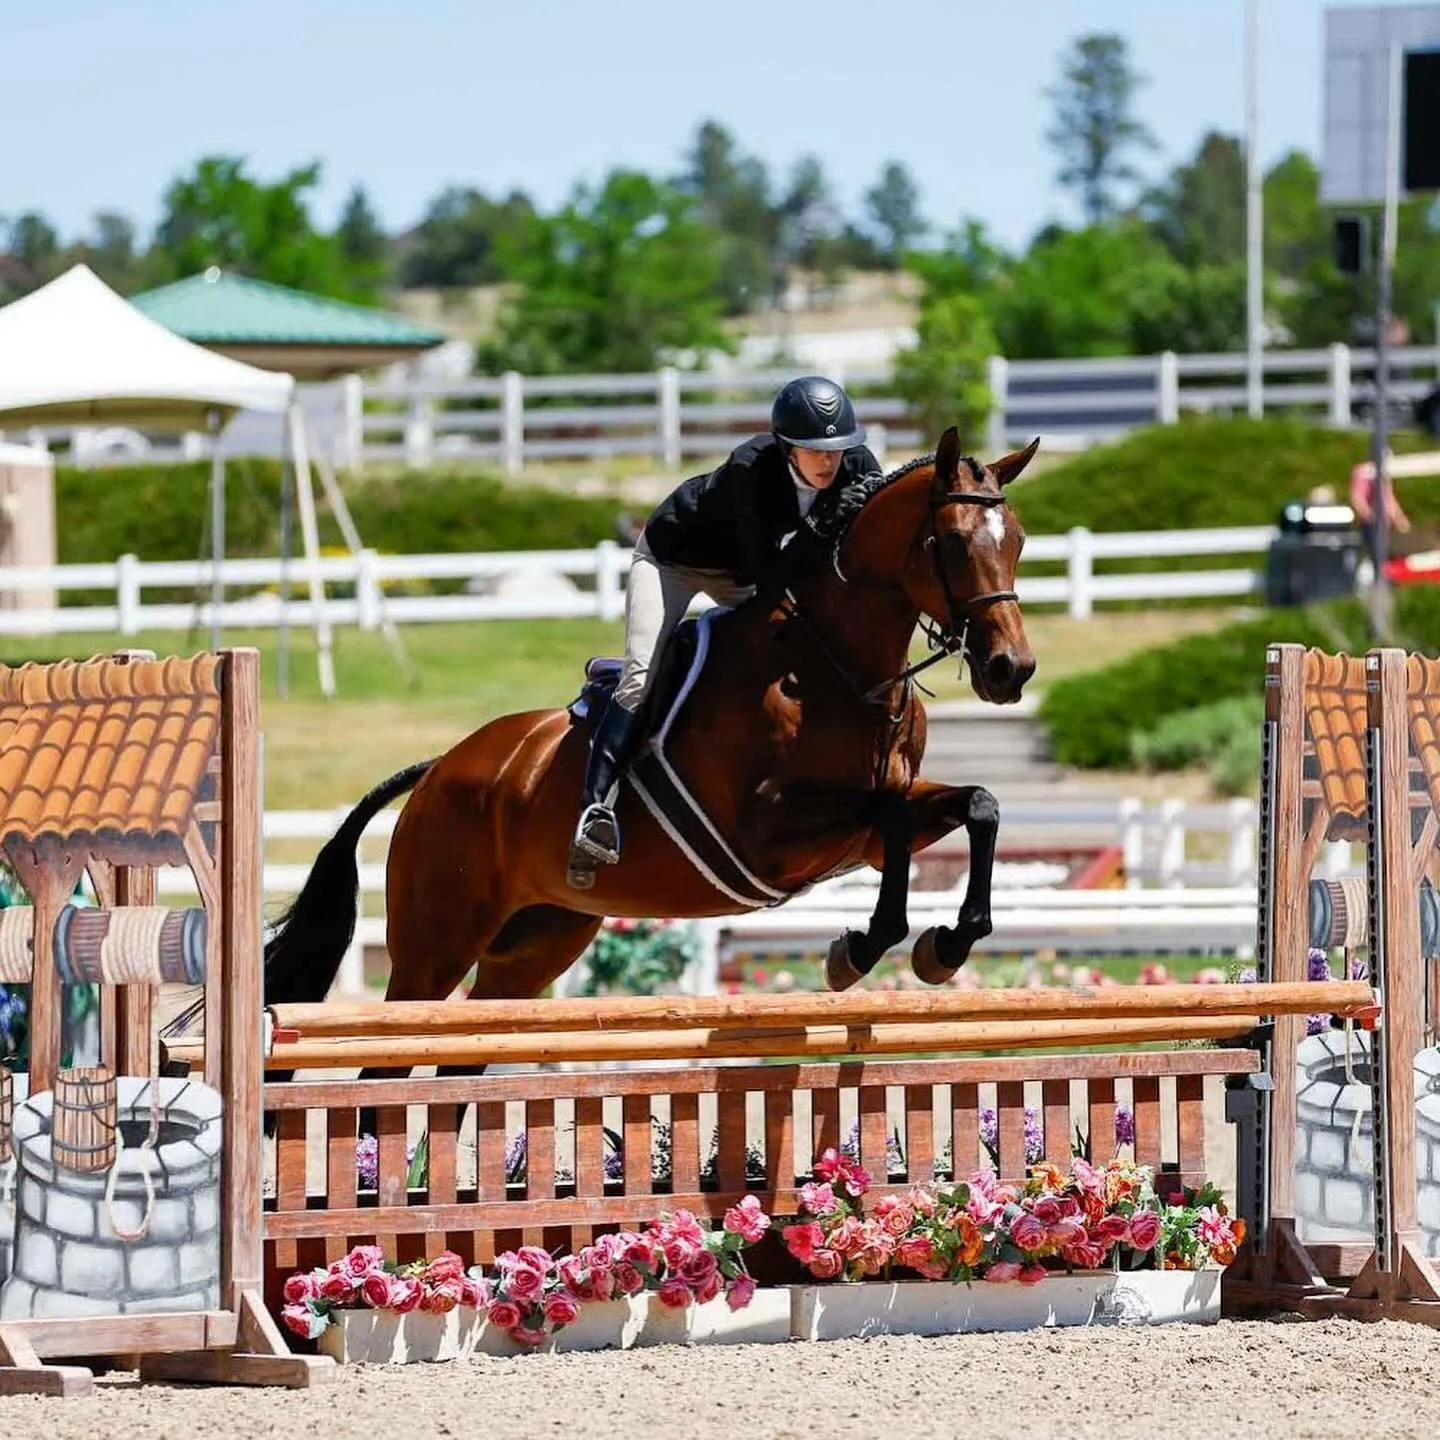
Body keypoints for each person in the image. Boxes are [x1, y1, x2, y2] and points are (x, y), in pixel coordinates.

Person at [567, 374, 885, 883]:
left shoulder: (857, 467)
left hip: (742, 571)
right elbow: (768, 572)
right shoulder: (750, 468)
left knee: (808, 645)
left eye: (837, 449)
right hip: (674, 561)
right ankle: (595, 808)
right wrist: (822, 527)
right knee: (640, 675)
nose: (830, 461)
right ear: (786, 448)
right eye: (814, 450)